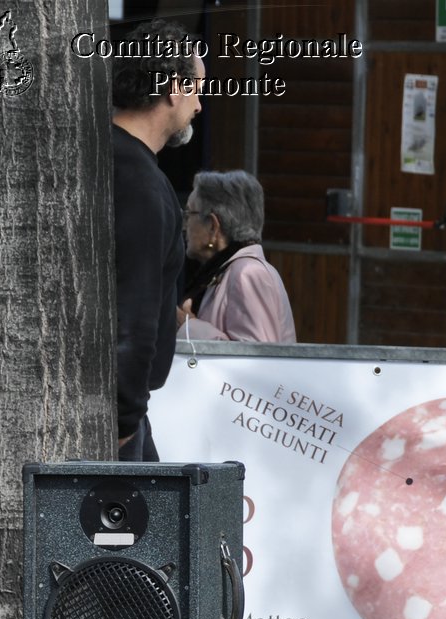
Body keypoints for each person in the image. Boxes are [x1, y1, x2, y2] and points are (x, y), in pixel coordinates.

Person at [112, 19, 203, 461]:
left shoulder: (109, 157)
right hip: (115, 420)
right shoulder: (140, 182)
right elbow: (134, 311)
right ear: (174, 88)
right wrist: (125, 423)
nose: (200, 105)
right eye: (198, 89)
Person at [177, 171, 297, 343]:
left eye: (189, 214)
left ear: (213, 225)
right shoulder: (227, 271)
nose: (185, 225)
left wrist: (186, 326)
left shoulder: (249, 273)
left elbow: (256, 358)